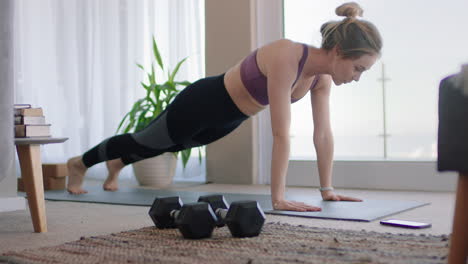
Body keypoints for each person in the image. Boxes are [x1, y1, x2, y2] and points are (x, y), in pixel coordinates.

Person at [67, 2, 382, 212]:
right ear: (339, 51)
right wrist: (279, 199)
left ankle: (118, 164)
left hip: (230, 119)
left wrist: (327, 189)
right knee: (147, 140)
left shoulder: (321, 79)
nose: (357, 78)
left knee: (170, 145)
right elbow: (281, 134)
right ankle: (80, 164)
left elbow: (323, 135)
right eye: (358, 69)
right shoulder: (288, 55)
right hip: (203, 102)